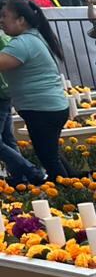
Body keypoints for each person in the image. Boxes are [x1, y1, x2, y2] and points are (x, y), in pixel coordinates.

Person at [0, 0, 69, 181]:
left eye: (5, 16)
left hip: (42, 109)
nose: (1, 20)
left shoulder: (23, 43)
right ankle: (73, 186)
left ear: (21, 20)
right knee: (52, 155)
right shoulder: (32, 37)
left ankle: (70, 195)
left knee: (49, 159)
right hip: (50, 107)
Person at [0, 27, 44, 184]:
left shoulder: (4, 40)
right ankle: (21, 178)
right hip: (5, 92)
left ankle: (30, 171)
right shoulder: (5, 38)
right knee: (7, 138)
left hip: (1, 92)